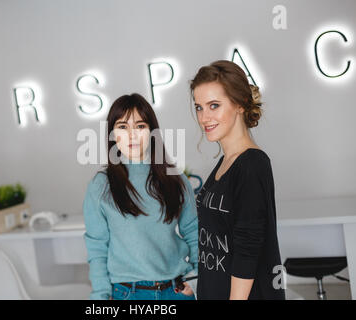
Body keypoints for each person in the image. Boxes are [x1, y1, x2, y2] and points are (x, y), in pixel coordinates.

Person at [83, 93, 198, 300]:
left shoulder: (175, 178)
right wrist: (100, 296)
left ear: (152, 132)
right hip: (128, 294)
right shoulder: (101, 185)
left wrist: (197, 280)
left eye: (140, 126)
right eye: (122, 127)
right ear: (112, 134)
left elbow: (194, 231)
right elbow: (97, 248)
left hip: (177, 290)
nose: (132, 135)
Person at [190, 60, 285, 300]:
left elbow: (247, 251)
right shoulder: (225, 162)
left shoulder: (252, 164)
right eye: (199, 107)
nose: (204, 117)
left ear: (240, 104)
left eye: (214, 105)